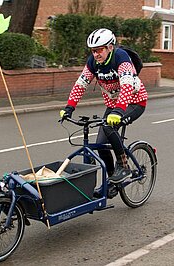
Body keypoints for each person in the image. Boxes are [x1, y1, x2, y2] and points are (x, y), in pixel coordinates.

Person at [60, 28, 148, 184]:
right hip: (114, 105)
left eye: (99, 50)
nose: (96, 54)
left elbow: (127, 85)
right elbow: (80, 84)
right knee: (101, 144)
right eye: (93, 51)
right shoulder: (93, 63)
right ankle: (114, 178)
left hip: (134, 102)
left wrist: (119, 111)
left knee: (109, 126)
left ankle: (123, 166)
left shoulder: (121, 58)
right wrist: (69, 108)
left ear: (110, 47)